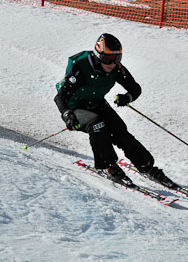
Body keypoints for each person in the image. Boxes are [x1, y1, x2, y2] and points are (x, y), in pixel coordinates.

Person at [54, 33, 175, 188]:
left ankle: (147, 167)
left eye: (117, 58)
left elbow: (135, 88)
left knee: (121, 133)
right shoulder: (81, 68)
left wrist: (127, 97)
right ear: (98, 57)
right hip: (75, 108)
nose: (112, 63)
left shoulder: (116, 68)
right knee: (97, 125)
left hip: (96, 103)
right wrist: (67, 114)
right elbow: (60, 96)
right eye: (108, 59)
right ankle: (108, 166)